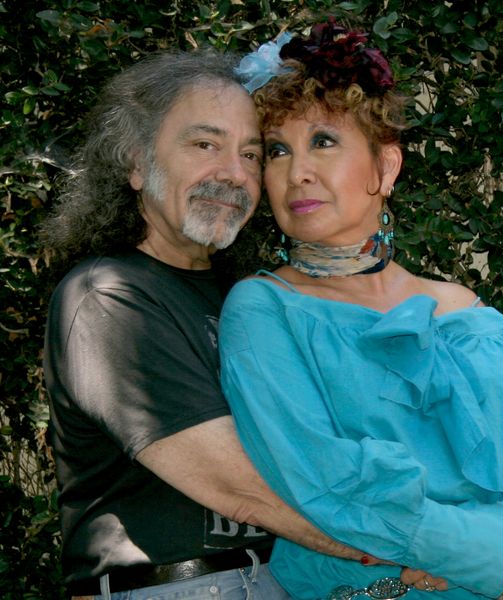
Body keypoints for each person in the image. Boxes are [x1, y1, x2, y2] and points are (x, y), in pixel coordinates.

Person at [219, 20, 503, 600]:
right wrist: (491, 556)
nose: (298, 173)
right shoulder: (265, 309)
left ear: (386, 168)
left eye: (324, 141)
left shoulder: (469, 312)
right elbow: (326, 480)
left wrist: (499, 552)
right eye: (277, 151)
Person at [41, 48, 367, 600]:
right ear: (136, 163)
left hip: (289, 579)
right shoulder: (107, 297)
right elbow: (241, 488)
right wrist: (404, 548)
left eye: (251, 154)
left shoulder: (251, 298)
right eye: (204, 145)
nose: (233, 174)